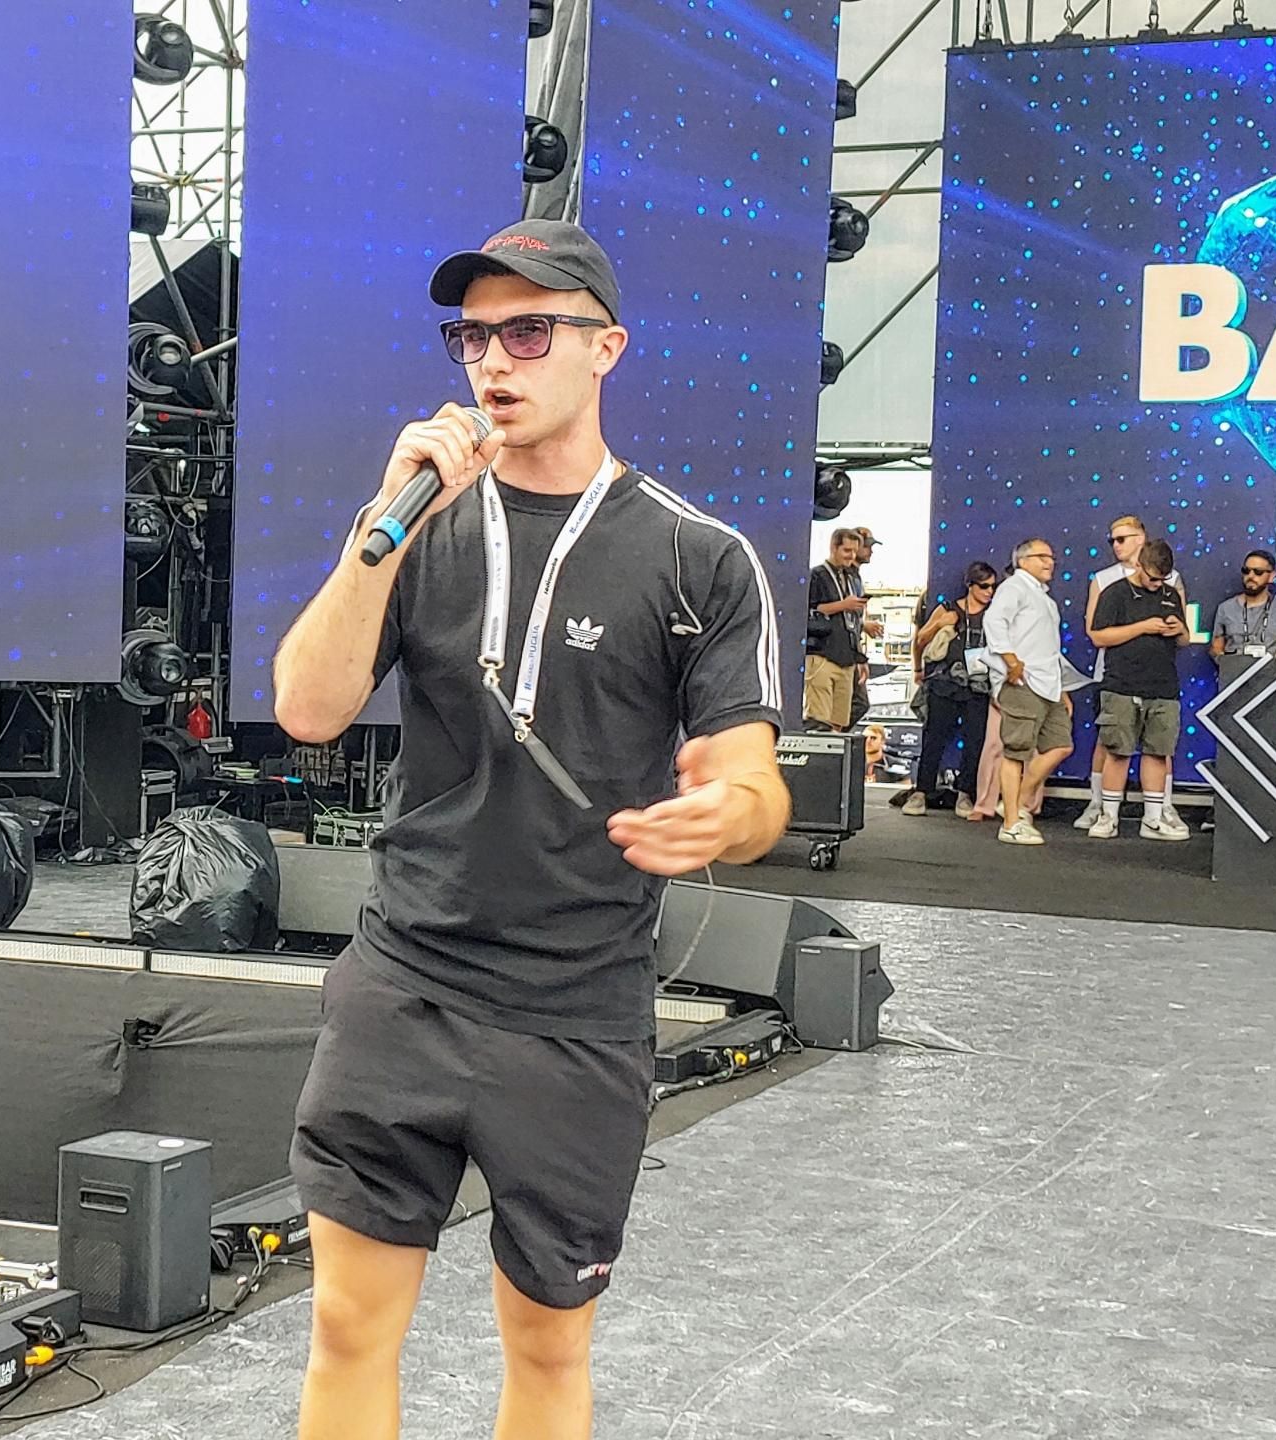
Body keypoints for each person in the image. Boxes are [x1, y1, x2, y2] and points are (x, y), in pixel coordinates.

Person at [272, 218, 791, 1440]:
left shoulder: (698, 558)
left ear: (606, 348)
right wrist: (378, 530)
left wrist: (727, 815)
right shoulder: (418, 528)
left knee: (548, 1345)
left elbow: (754, 783)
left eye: (529, 332)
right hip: (405, 981)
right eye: (472, 338)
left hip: (576, 1008)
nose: (494, 361)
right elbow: (307, 707)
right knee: (345, 1323)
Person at [1075, 515, 1188, 831]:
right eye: (1152, 579)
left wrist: (1178, 630)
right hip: (1121, 683)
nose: (1157, 585)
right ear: (1140, 566)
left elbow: (1185, 639)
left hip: (1163, 685)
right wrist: (1143, 627)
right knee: (1117, 750)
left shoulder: (1170, 593)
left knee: (1158, 751)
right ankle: (1107, 814)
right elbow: (1098, 636)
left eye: (1162, 580)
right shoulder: (1113, 591)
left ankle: (1154, 817)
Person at [981, 538, 1075, 846]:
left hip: (1048, 684)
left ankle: (1016, 803)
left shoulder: (1044, 598)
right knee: (1016, 750)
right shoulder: (1014, 587)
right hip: (1022, 681)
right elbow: (994, 620)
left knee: (1060, 745)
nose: (1050, 562)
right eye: (1042, 556)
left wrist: (1062, 687)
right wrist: (1011, 660)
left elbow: (1048, 646)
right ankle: (1011, 823)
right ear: (1022, 561)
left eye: (1051, 557)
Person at [905, 561, 998, 817]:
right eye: (984, 586)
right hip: (945, 681)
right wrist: (918, 669)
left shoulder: (994, 614)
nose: (989, 592)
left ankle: (965, 793)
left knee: (975, 740)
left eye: (993, 586)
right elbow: (920, 640)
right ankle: (921, 791)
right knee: (934, 737)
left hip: (978, 684)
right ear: (970, 585)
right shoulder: (948, 608)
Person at [805, 529, 866, 730]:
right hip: (822, 654)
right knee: (819, 721)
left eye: (854, 551)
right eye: (847, 551)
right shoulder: (816, 575)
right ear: (833, 547)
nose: (851, 556)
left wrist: (860, 657)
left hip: (846, 658)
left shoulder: (851, 578)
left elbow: (853, 622)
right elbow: (809, 610)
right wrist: (843, 605)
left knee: (839, 721)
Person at [1210, 549, 1276, 658]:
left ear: (1271, 576)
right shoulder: (1226, 608)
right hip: (1235, 667)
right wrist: (1223, 660)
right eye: (1246, 570)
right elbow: (1216, 647)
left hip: (1274, 667)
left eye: (1258, 572)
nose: (1251, 576)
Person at [847, 527, 885, 729]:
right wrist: (863, 625)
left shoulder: (855, 577)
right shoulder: (844, 576)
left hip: (851, 650)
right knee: (853, 704)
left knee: (857, 704)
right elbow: (844, 616)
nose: (871, 551)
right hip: (840, 651)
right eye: (868, 546)